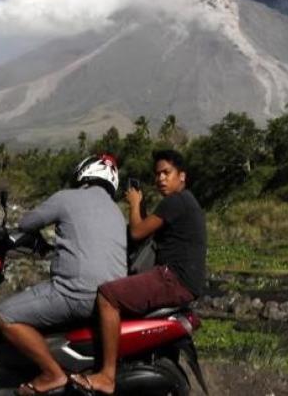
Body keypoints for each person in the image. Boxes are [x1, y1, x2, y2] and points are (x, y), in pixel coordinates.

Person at [72, 149, 207, 395]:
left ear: (182, 176)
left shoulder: (176, 201)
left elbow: (136, 232)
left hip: (172, 279)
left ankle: (107, 376)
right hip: (180, 280)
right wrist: (142, 208)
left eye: (167, 173)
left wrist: (134, 204)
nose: (161, 179)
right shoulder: (184, 203)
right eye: (157, 174)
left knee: (107, 295)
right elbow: (146, 233)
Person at [0, 155, 127, 396]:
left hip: (75, 293)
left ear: (84, 173)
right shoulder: (117, 212)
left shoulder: (68, 197)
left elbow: (26, 223)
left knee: (5, 315)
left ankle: (51, 373)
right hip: (110, 302)